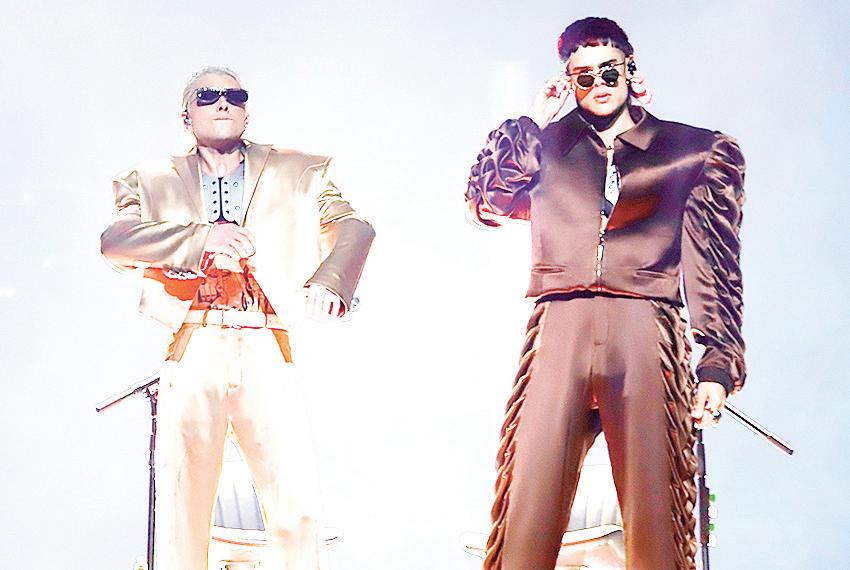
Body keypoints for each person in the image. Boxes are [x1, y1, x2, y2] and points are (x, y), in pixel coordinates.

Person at [465, 17, 746, 570]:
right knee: (526, 503)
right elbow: (487, 201)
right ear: (568, 81)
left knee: (657, 512)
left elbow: (714, 263)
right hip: (559, 325)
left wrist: (717, 363)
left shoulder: (691, 151)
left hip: (645, 328)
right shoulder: (545, 146)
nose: (598, 83)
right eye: (584, 76)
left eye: (609, 70)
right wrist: (533, 120)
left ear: (631, 70)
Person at [101, 66, 375, 569]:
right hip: (196, 338)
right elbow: (116, 242)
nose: (223, 102)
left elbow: (353, 225)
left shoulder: (300, 170)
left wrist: (331, 279)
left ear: (247, 112)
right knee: (184, 499)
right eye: (207, 96)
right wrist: (200, 239)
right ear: (186, 116)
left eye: (235, 94)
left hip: (265, 337)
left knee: (294, 499)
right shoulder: (150, 178)